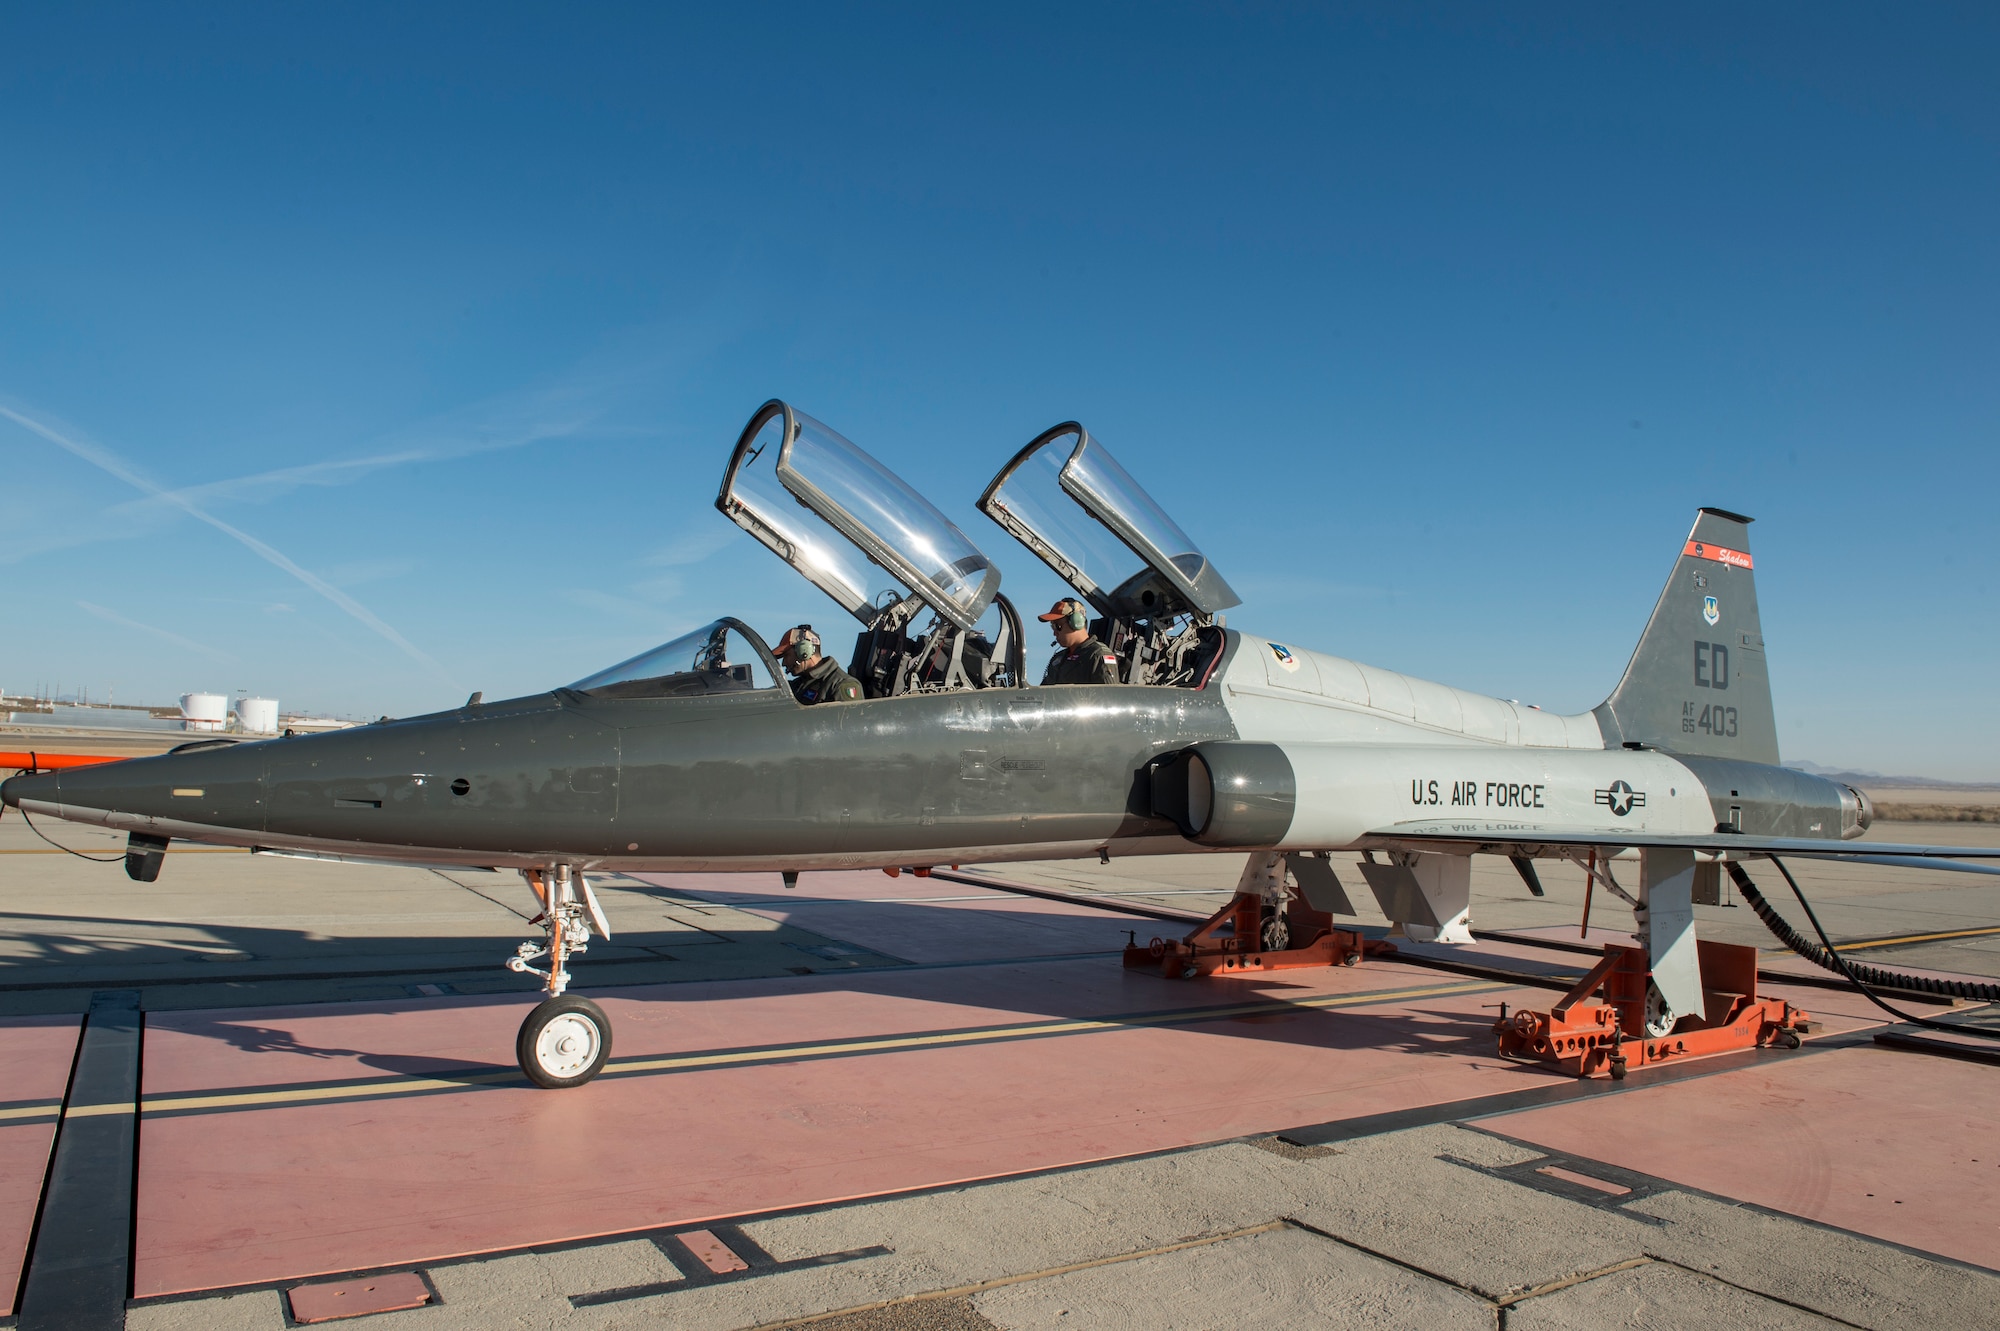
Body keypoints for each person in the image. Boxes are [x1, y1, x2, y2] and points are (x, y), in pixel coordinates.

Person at [1037, 599, 1120, 685]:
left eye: (1058, 626)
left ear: (1076, 622)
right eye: (1052, 627)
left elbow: (1109, 696)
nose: (1054, 633)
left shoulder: (1098, 655)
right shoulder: (1058, 659)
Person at [774, 624, 863, 703]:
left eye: (786, 655)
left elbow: (852, 720)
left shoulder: (841, 685)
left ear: (804, 651)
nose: (784, 663)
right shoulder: (796, 686)